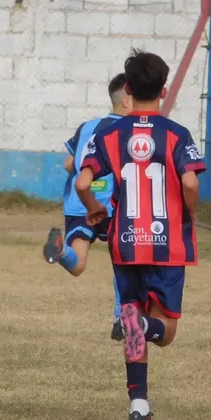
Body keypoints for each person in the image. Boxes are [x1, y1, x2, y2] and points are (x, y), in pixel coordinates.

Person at [76, 49, 205, 420]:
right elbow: (190, 181)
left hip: (125, 241)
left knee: (133, 315)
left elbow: (83, 182)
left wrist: (94, 207)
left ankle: (139, 409)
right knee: (164, 331)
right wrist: (190, 214)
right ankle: (141, 328)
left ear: (127, 89)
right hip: (167, 244)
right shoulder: (177, 134)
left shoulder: (109, 133)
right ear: (163, 91)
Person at [43, 73, 132, 340]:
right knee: (123, 262)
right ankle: (121, 319)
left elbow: (69, 164)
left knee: (78, 263)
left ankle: (60, 252)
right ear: (128, 101)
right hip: (114, 204)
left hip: (79, 203)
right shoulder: (131, 130)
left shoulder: (87, 126)